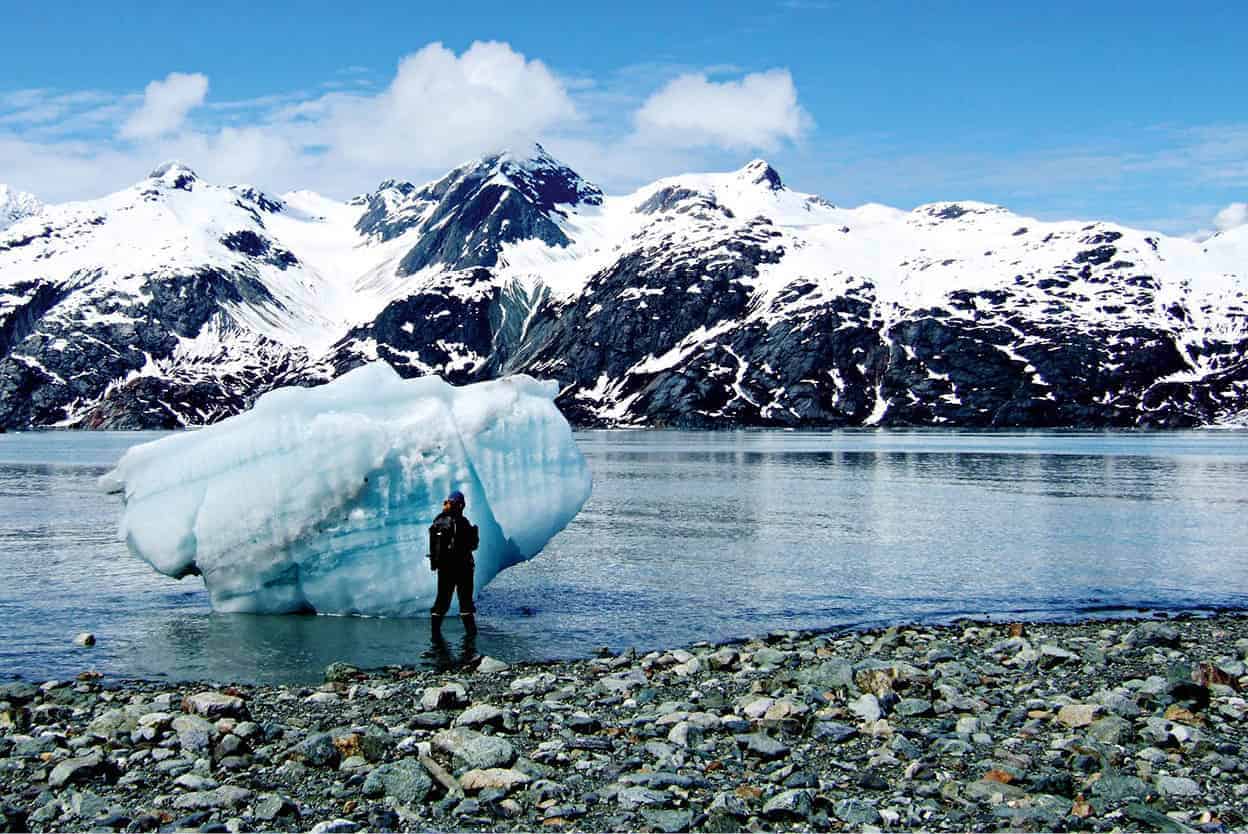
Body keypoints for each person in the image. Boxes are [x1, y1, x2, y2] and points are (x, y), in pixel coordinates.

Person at [428, 490, 480, 635]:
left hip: (445, 569)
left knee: (442, 601)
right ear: (460, 505)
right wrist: (474, 533)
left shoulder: (438, 521)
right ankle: (471, 638)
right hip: (463, 568)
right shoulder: (462, 522)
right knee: (465, 603)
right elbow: (473, 545)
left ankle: (435, 636)